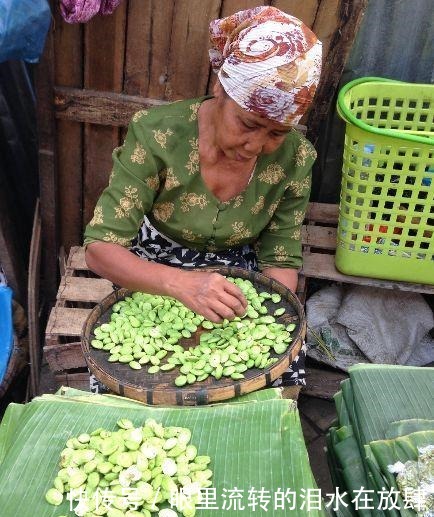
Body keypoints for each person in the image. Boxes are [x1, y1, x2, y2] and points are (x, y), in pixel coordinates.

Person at [84, 6, 322, 385]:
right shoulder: (157, 135)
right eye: (249, 124)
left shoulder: (297, 158)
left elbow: (280, 254)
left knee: (278, 369)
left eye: (277, 133)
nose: (257, 145)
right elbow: (100, 248)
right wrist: (180, 284)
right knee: (136, 373)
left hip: (239, 271)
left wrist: (261, 325)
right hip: (156, 263)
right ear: (220, 89)